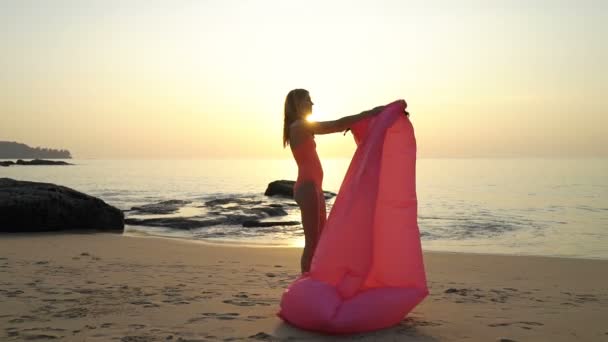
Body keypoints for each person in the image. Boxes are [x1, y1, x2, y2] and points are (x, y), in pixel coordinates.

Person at [283, 88, 392, 273]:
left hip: (314, 188)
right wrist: (369, 113)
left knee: (319, 241)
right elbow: (335, 125)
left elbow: (337, 125)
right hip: (307, 188)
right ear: (297, 105)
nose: (312, 104)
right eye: (308, 100)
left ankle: (313, 281)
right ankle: (305, 284)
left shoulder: (302, 127)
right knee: (312, 243)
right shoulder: (299, 126)